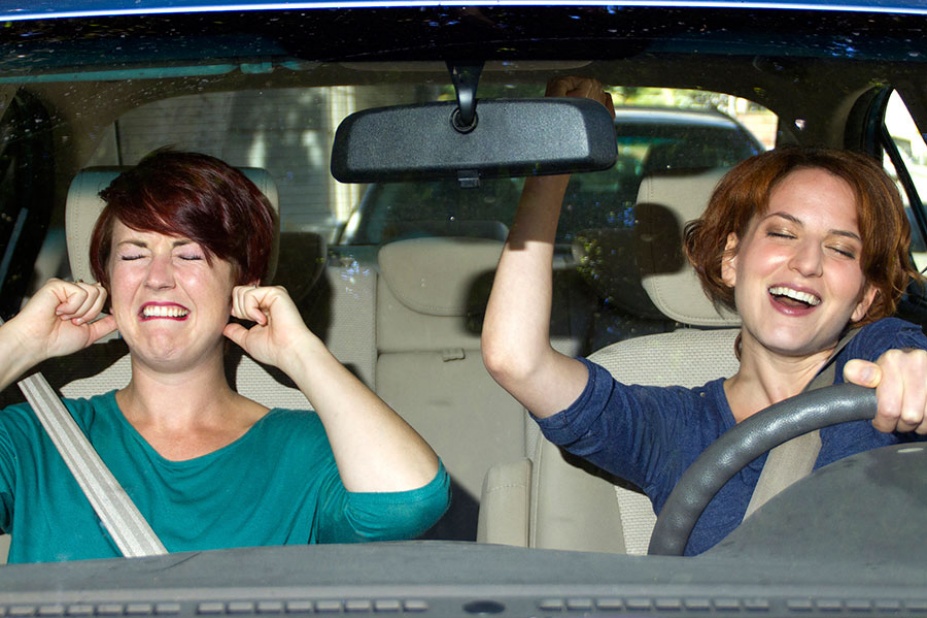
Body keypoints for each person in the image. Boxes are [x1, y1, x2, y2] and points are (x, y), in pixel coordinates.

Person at [481, 76, 927, 556]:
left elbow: (907, 357)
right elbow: (516, 359)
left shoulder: (878, 376)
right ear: (730, 260)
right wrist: (552, 164)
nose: (808, 263)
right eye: (782, 233)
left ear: (864, 297)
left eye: (840, 248)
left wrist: (915, 371)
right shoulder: (676, 428)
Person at [0, 150, 450, 563]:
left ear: (244, 282)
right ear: (108, 284)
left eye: (190, 254)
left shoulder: (302, 450)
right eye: (133, 255)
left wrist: (301, 352)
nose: (157, 278)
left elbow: (408, 501)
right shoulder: (32, 441)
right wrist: (21, 343)